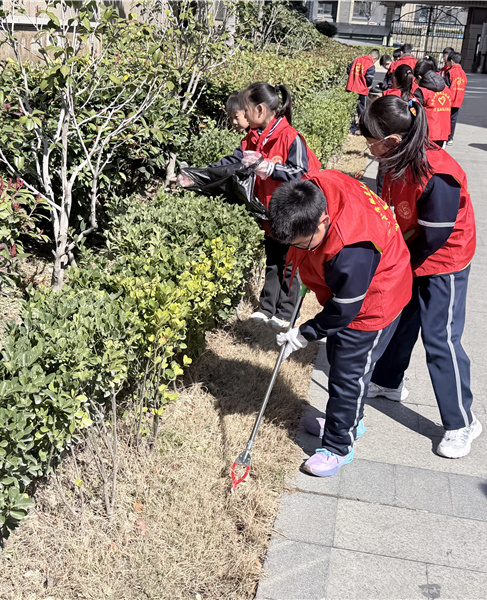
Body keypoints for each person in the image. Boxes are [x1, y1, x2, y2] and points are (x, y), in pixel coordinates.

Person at [360, 95, 481, 459]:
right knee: (400, 318)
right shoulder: (393, 161)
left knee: (440, 337)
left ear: (392, 140)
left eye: (371, 141)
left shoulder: (438, 174)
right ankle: (388, 382)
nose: (368, 148)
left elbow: (433, 238)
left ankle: (462, 422)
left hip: (443, 260)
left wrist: (399, 261)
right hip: (410, 251)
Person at [269, 170, 413, 477]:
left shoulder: (352, 247)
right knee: (339, 360)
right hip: (355, 288)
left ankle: (338, 446)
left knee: (348, 374)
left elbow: (345, 310)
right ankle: (348, 422)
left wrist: (304, 333)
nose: (300, 249)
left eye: (303, 244)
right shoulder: (317, 186)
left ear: (323, 219)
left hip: (375, 299)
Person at [181, 83, 322, 328]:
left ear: (260, 109)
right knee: (273, 259)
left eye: (245, 110)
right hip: (268, 211)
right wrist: (196, 176)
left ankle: (287, 312)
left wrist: (271, 168)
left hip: (291, 211)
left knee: (290, 263)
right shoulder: (253, 138)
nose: (244, 115)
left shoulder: (290, 137)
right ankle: (267, 307)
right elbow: (231, 163)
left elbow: (302, 173)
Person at [414, 58, 452, 147]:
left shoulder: (422, 92)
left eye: (416, 79)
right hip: (443, 132)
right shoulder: (446, 89)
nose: (415, 81)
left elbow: (413, 110)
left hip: (427, 134)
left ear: (420, 77)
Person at [347, 49, 380, 136]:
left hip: (350, 88)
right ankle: (363, 130)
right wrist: (366, 84)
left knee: (351, 109)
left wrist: (353, 78)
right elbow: (369, 79)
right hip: (361, 90)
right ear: (374, 58)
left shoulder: (357, 59)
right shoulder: (370, 65)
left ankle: (351, 129)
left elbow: (348, 69)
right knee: (362, 111)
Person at [444, 52, 467, 145]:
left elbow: (446, 86)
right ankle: (450, 138)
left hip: (449, 99)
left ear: (452, 61)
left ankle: (444, 136)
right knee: (453, 119)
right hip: (458, 99)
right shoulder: (463, 73)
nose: (447, 64)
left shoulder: (450, 72)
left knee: (445, 118)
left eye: (448, 62)